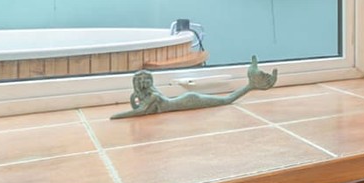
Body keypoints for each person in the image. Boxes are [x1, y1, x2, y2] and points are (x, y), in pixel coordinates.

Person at [111, 56, 277, 119]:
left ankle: (251, 85)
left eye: (145, 80)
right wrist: (134, 98)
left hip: (190, 100)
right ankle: (251, 85)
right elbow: (140, 106)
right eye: (140, 81)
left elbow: (138, 111)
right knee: (225, 100)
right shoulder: (152, 93)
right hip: (185, 99)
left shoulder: (153, 96)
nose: (143, 84)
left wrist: (118, 115)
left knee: (226, 100)